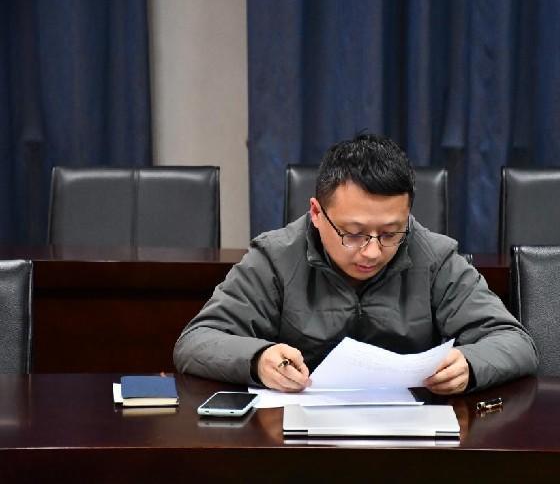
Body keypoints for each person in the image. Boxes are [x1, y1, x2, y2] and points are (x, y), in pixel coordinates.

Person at [174, 134, 538, 394]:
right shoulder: (275, 256)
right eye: (353, 233)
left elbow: (515, 342)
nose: (372, 252)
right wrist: (258, 359)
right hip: (300, 440)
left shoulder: (434, 256)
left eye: (391, 233)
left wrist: (470, 364)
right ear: (317, 213)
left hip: (408, 438)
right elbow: (196, 341)